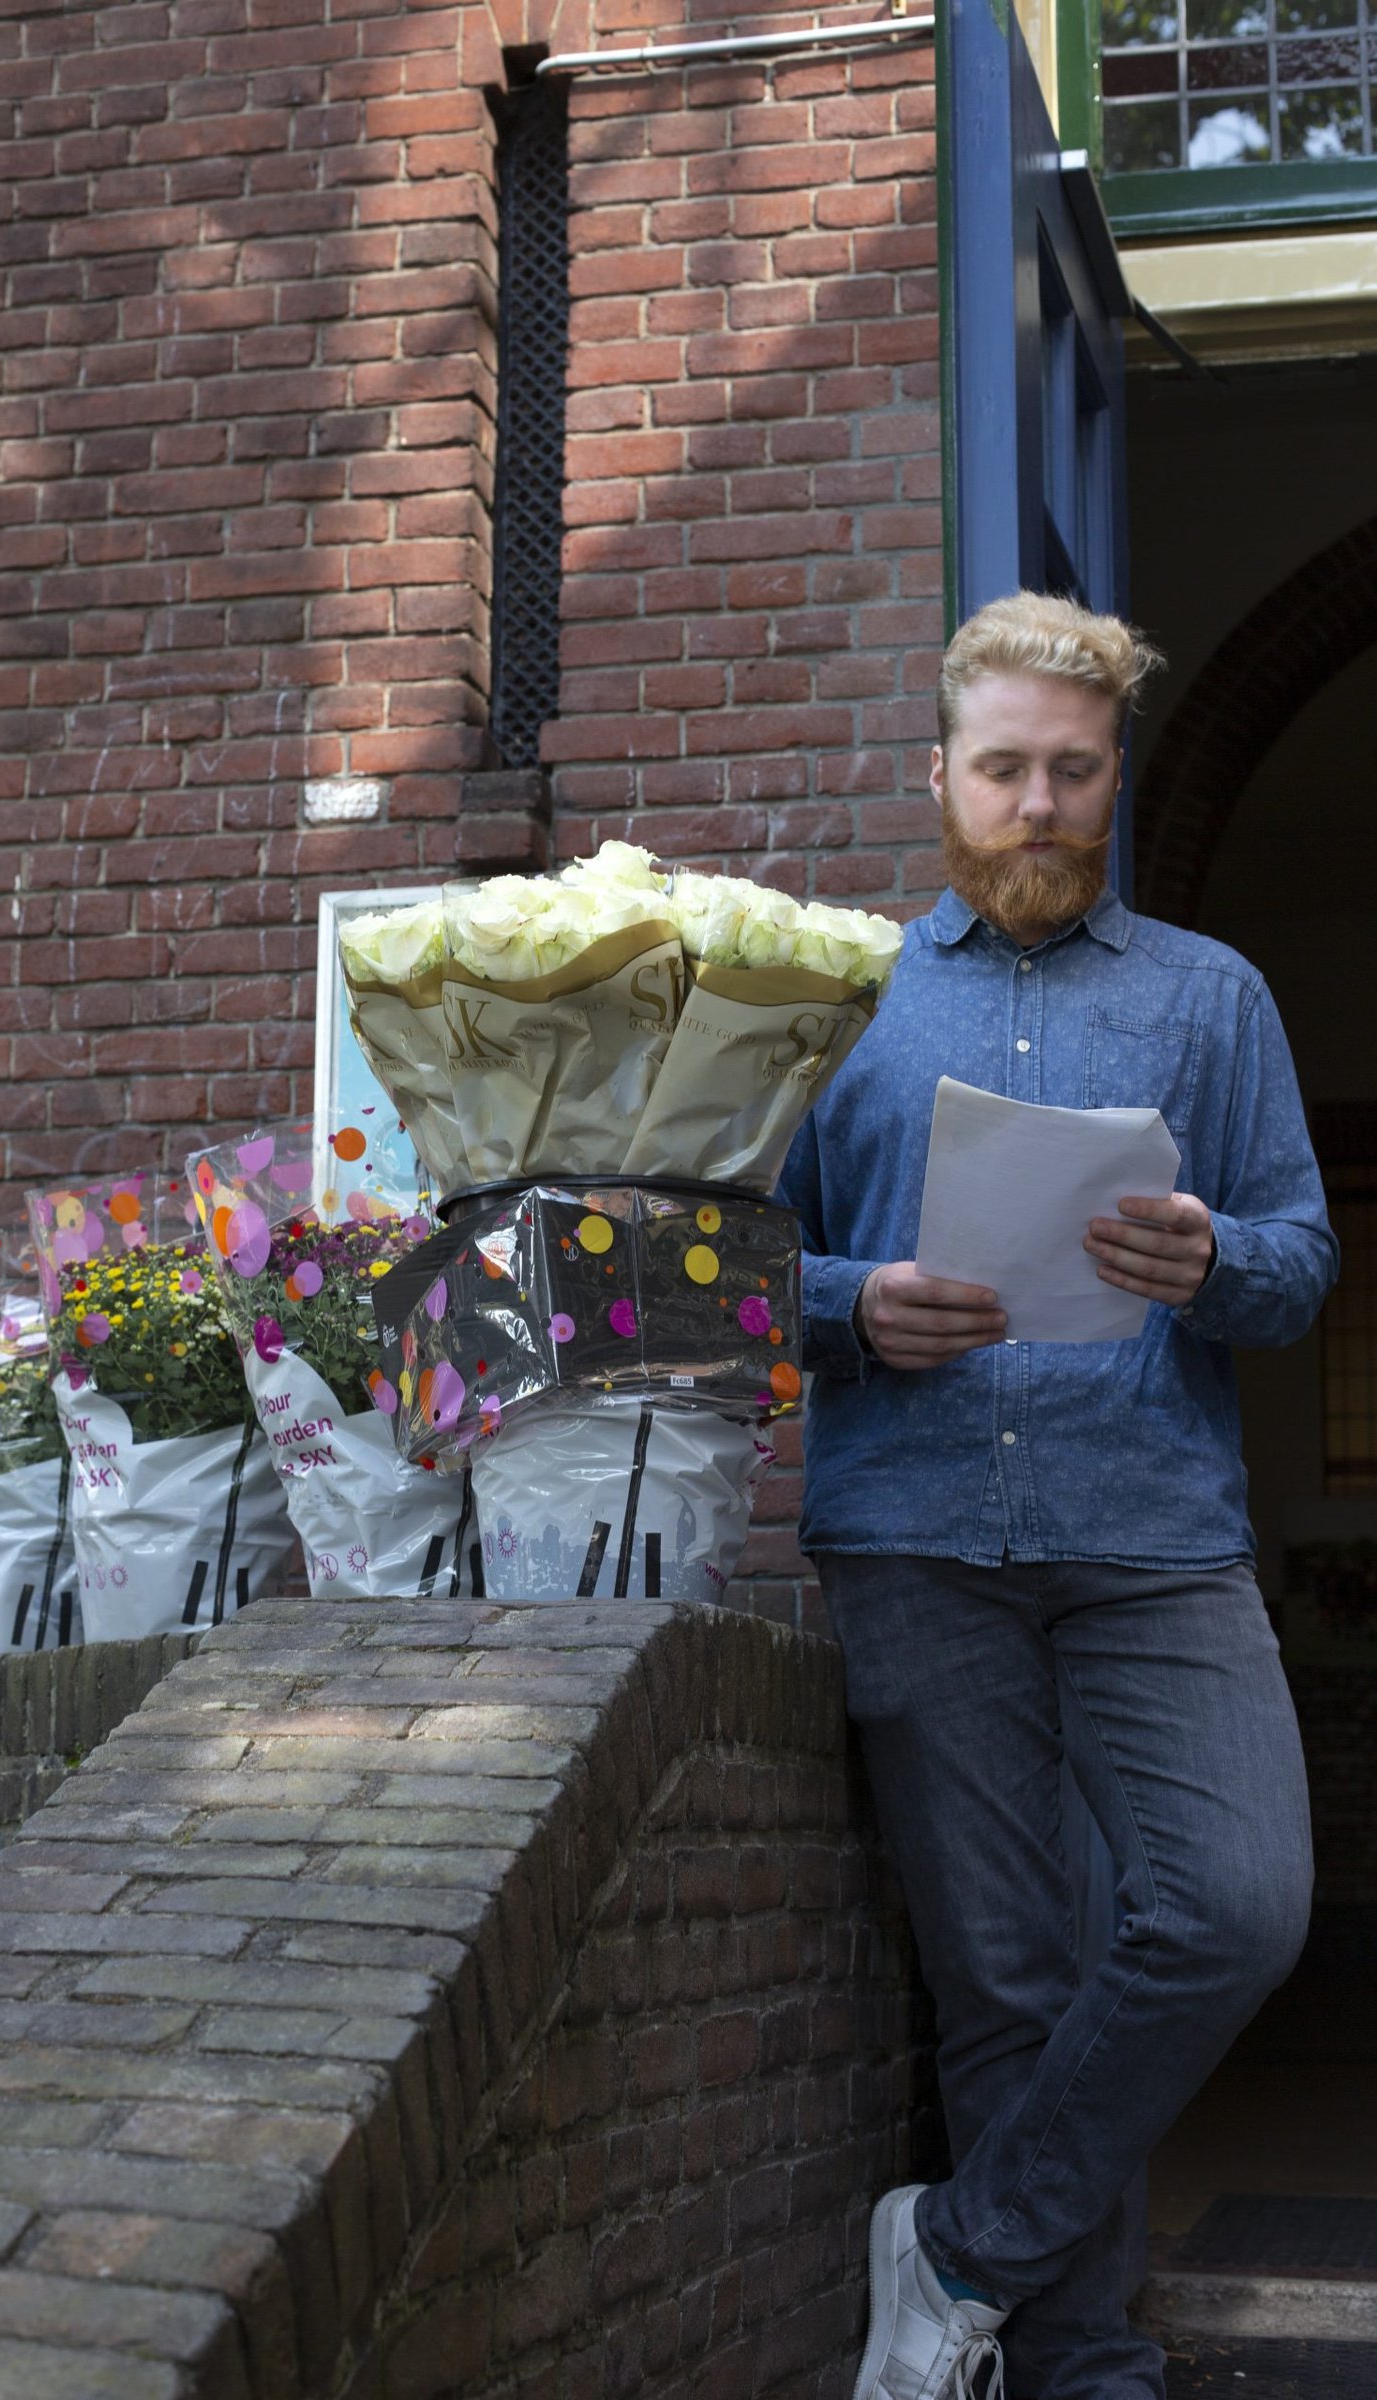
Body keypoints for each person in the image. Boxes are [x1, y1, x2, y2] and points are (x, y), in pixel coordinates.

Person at [780, 592, 1337, 2400]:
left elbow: (1303, 1262)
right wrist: (853, 1306)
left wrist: (1214, 1259)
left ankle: (957, 2250)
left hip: (1153, 1535)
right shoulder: (839, 1002)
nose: (1039, 804)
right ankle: (1079, 2358)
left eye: (1075, 773)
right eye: (1005, 767)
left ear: (1114, 782)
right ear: (939, 773)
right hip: (915, 1535)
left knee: (1237, 1907)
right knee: (1006, 1979)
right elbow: (735, 1272)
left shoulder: (1211, 996)